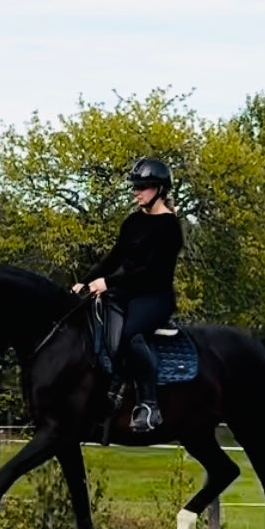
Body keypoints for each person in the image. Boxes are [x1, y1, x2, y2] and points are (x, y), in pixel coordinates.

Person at [72, 157, 183, 432]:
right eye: (135, 186)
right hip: (126, 293)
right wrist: (83, 283)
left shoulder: (170, 227)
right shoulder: (132, 222)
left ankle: (148, 404)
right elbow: (113, 258)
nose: (136, 191)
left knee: (129, 335)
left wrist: (108, 283)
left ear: (159, 189)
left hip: (155, 297)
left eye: (142, 187)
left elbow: (152, 272)